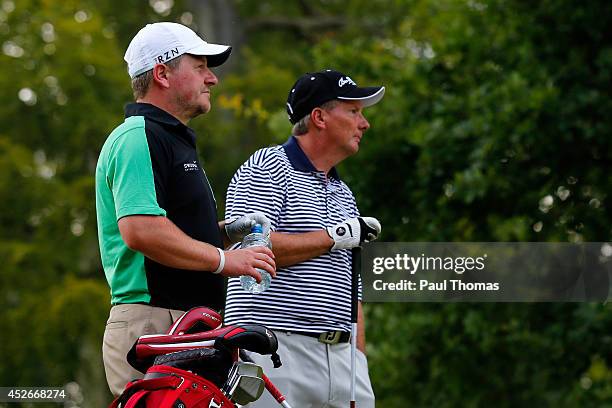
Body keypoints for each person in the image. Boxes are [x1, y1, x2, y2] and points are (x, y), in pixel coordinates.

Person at [95, 22, 276, 396]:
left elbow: (167, 223)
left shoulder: (169, 139)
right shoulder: (138, 136)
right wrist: (227, 260)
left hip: (184, 322)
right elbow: (141, 228)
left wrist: (222, 230)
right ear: (162, 73)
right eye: (200, 67)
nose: (212, 79)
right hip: (154, 320)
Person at [224, 69, 384, 407]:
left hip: (342, 357)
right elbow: (250, 252)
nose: (364, 123)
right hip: (275, 350)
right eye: (354, 111)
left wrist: (359, 362)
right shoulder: (266, 166)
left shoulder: (345, 194)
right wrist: (335, 236)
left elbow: (352, 292)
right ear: (319, 117)